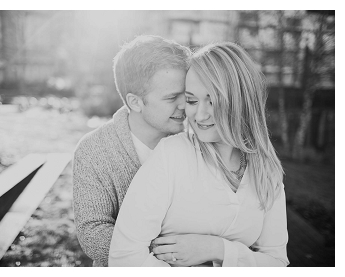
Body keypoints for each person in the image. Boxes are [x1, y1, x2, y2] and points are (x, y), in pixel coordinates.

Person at [108, 42, 288, 267]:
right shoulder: (171, 156)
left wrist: (218, 249)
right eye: (192, 101)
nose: (199, 115)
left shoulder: (267, 172)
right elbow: (124, 256)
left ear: (240, 101)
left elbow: (277, 262)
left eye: (212, 101)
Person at [71, 35, 190, 267]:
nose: (184, 105)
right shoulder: (94, 150)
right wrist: (165, 260)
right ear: (135, 102)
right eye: (172, 97)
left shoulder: (195, 141)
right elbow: (93, 232)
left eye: (186, 94)